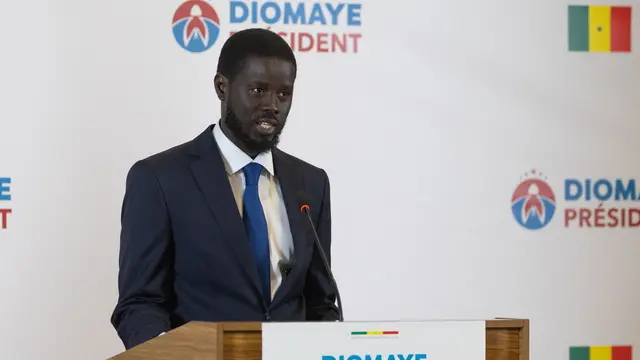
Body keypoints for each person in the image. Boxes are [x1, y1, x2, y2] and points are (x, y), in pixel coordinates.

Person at [110, 28, 339, 350]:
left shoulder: (312, 184)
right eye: (258, 90)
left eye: (283, 94)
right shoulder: (160, 179)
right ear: (222, 87)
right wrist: (165, 355)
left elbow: (321, 302)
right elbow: (140, 302)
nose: (272, 105)